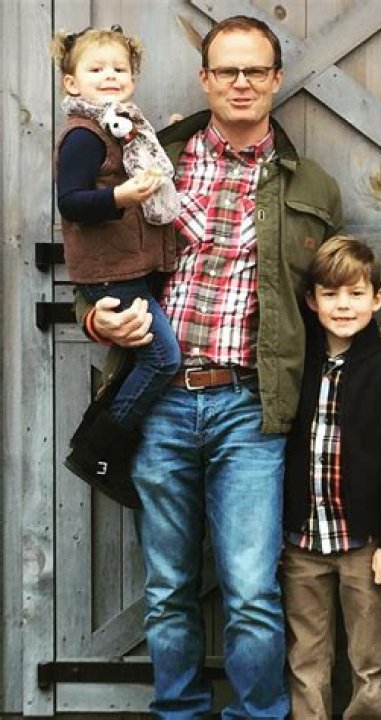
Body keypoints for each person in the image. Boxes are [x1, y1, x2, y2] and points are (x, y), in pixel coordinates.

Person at [74, 15, 342, 719]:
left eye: (255, 70)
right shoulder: (147, 161)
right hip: (158, 398)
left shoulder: (311, 187)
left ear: (276, 79)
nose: (241, 83)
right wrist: (96, 319)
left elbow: (332, 294)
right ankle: (180, 712)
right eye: (227, 70)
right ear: (205, 79)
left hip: (251, 408)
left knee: (251, 589)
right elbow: (93, 256)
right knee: (168, 588)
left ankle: (259, 714)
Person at [282, 235, 381, 719]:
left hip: (365, 543)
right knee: (305, 655)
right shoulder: (297, 364)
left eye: (356, 294)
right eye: (331, 294)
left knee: (370, 658)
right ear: (311, 301)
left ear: (377, 299)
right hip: (302, 541)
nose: (343, 305)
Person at [51, 26, 182, 507]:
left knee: (146, 358)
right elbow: (71, 201)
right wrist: (121, 197)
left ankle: (103, 444)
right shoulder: (83, 135)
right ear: (71, 83)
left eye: (119, 69)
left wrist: (167, 134)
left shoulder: (121, 125)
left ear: (132, 78)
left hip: (130, 267)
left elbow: (136, 160)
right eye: (96, 68)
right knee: (163, 358)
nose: (110, 76)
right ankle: (100, 450)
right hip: (110, 270)